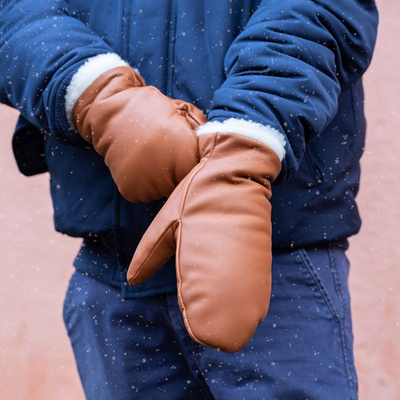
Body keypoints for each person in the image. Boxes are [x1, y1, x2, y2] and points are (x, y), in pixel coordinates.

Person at [0, 0, 378, 398]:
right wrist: (92, 91)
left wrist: (245, 143)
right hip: (112, 269)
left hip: (272, 257)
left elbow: (320, 9)